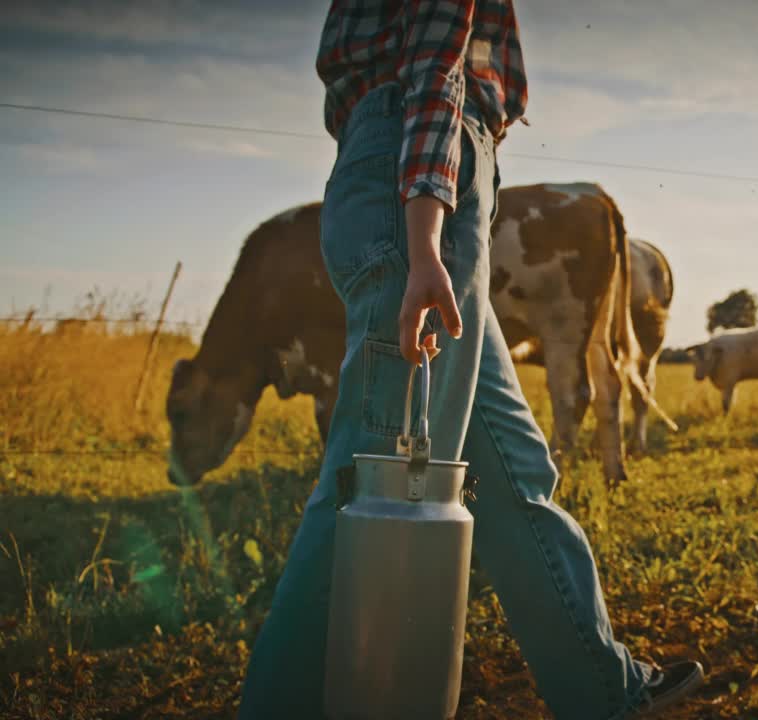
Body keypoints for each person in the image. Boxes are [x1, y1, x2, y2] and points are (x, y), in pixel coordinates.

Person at [236, 1, 705, 718]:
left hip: (396, 162)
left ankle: (600, 690)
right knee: (377, 476)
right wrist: (427, 232)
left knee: (513, 464)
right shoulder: (427, 151)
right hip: (427, 167)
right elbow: (434, 62)